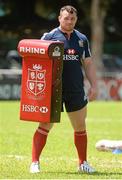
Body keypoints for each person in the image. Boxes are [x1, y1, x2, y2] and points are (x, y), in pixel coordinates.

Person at [30, 5, 97, 174]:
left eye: (72, 19)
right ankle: (34, 163)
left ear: (76, 19)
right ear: (59, 18)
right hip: (53, 90)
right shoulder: (49, 36)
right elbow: (36, 62)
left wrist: (94, 85)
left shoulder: (82, 38)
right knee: (45, 125)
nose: (69, 21)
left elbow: (88, 63)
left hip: (75, 89)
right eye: (66, 18)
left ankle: (83, 163)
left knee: (80, 127)